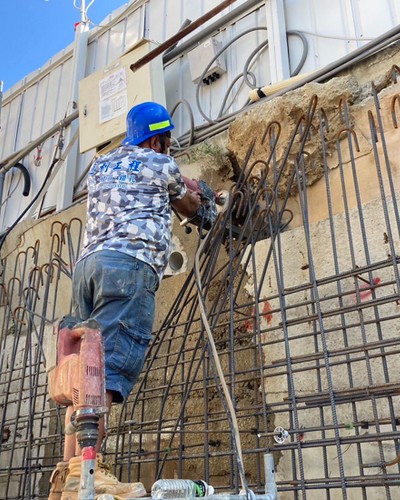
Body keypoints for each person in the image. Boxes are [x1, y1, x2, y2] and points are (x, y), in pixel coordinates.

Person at [49, 102, 201, 500]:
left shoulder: (101, 164)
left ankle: (69, 472)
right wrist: (202, 201)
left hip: (87, 269)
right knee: (107, 373)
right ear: (157, 138)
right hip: (127, 268)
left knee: (82, 375)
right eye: (166, 139)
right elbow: (188, 204)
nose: (168, 146)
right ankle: (89, 471)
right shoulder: (162, 164)